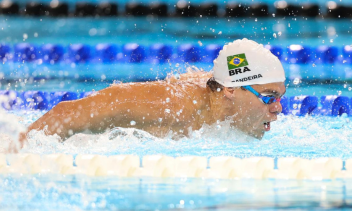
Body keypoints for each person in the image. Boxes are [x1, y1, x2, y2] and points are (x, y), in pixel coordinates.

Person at [20, 38, 286, 144]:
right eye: (269, 97)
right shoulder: (176, 109)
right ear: (230, 90)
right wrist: (14, 154)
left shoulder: (224, 94)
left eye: (280, 98)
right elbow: (64, 112)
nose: (278, 109)